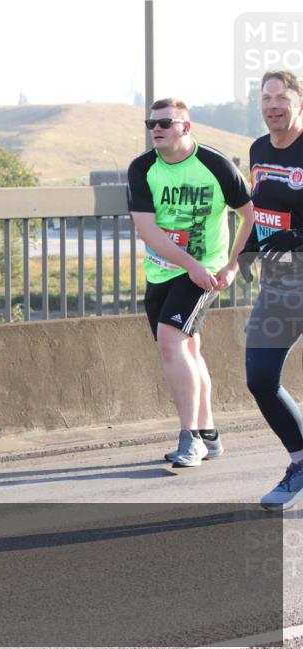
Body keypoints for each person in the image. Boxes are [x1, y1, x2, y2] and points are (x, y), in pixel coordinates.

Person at [127, 98, 254, 468]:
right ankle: (210, 433)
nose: (157, 129)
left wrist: (231, 266)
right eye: (152, 122)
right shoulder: (142, 168)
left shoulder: (215, 166)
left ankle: (191, 438)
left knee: (171, 341)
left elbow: (249, 216)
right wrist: (187, 264)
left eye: (166, 122)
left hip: (206, 269)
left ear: (186, 126)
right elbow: (147, 229)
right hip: (162, 270)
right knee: (188, 350)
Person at [238, 71, 303, 511]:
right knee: (260, 378)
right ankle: (300, 461)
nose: (273, 105)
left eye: (282, 97)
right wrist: (248, 248)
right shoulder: (259, 149)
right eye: (266, 98)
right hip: (280, 285)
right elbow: (264, 211)